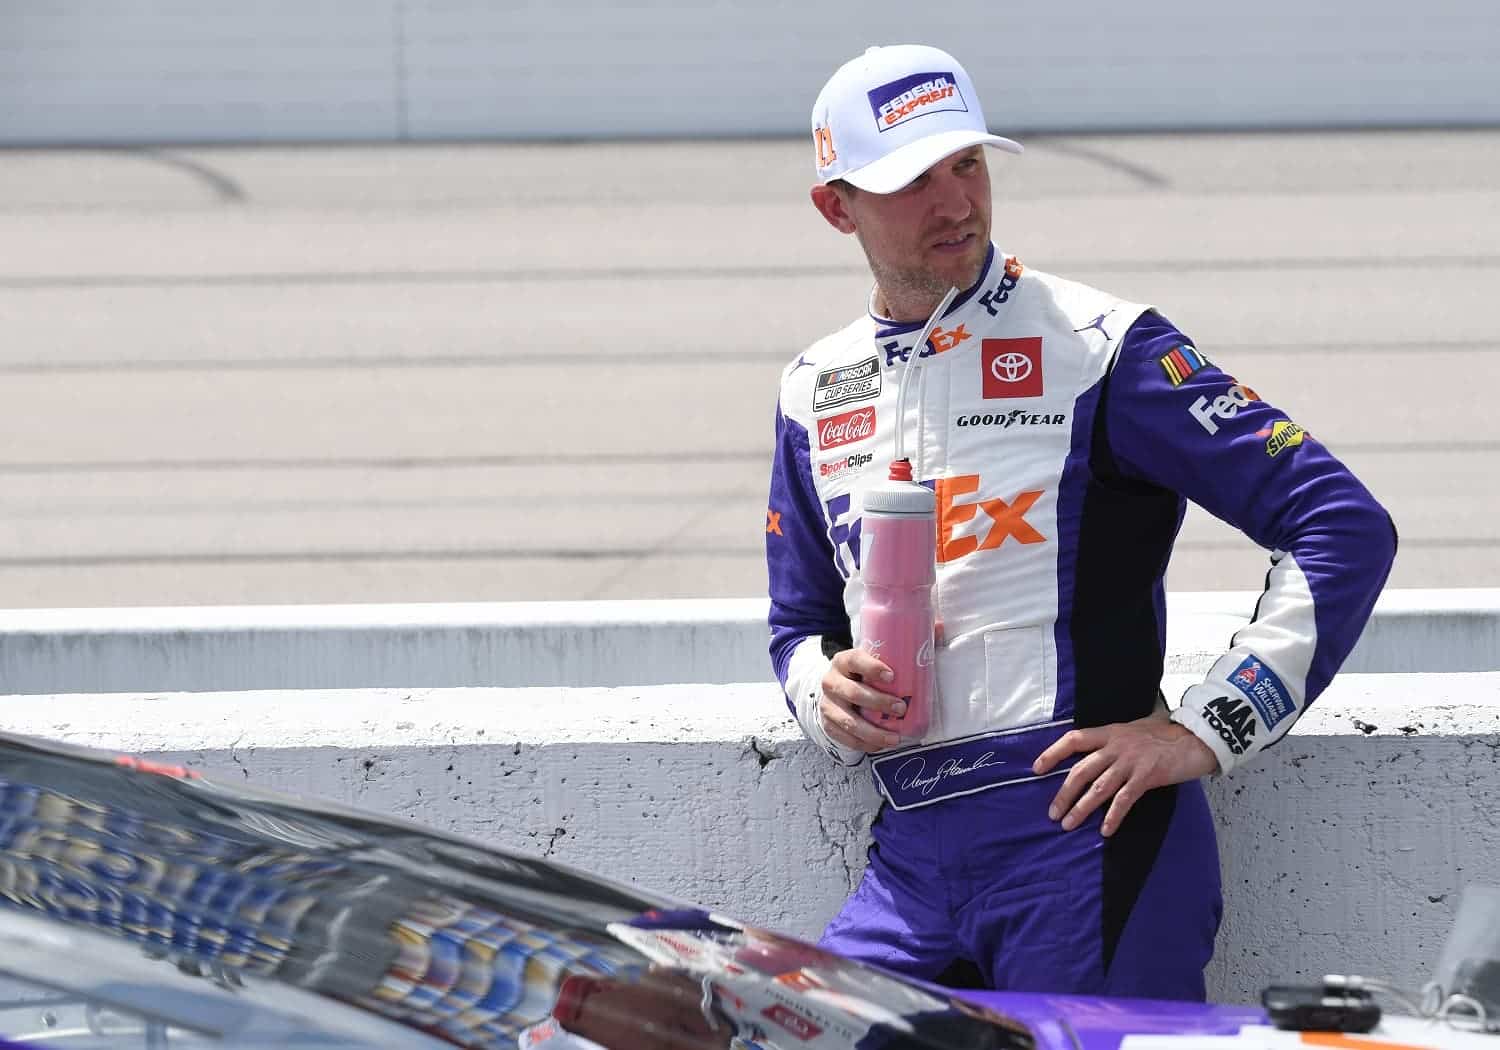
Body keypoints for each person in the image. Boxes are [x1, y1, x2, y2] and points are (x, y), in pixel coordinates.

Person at [764, 43, 1398, 1001]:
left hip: (1087, 838)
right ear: (835, 206)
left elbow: (1342, 524)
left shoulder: (1103, 347)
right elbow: (798, 622)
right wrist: (824, 690)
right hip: (908, 853)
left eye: (968, 164)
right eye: (910, 181)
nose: (957, 203)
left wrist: (1211, 726)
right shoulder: (815, 388)